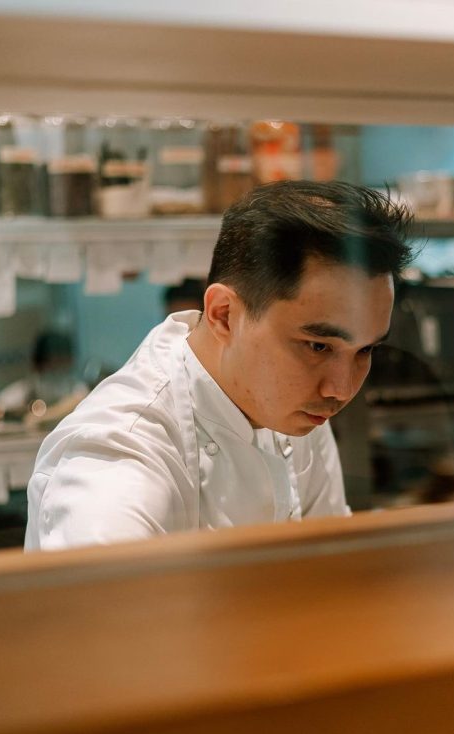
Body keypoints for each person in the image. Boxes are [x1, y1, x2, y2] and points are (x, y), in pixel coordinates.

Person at [25, 181, 414, 550]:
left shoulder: (297, 411)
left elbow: (330, 574)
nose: (341, 390)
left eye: (365, 350)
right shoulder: (118, 457)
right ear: (224, 315)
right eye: (317, 346)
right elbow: (116, 598)